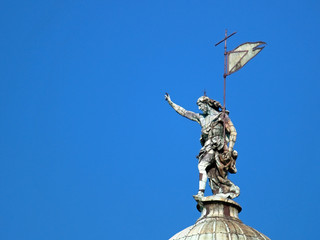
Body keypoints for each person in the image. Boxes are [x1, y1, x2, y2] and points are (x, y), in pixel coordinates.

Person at [165, 93, 239, 199]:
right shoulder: (201, 118)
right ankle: (212, 192)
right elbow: (185, 112)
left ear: (206, 104)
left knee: (202, 166)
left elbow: (233, 132)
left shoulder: (221, 116)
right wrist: (171, 103)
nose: (199, 108)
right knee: (212, 174)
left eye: (200, 105)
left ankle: (201, 193)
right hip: (208, 146)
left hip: (218, 147)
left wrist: (230, 149)